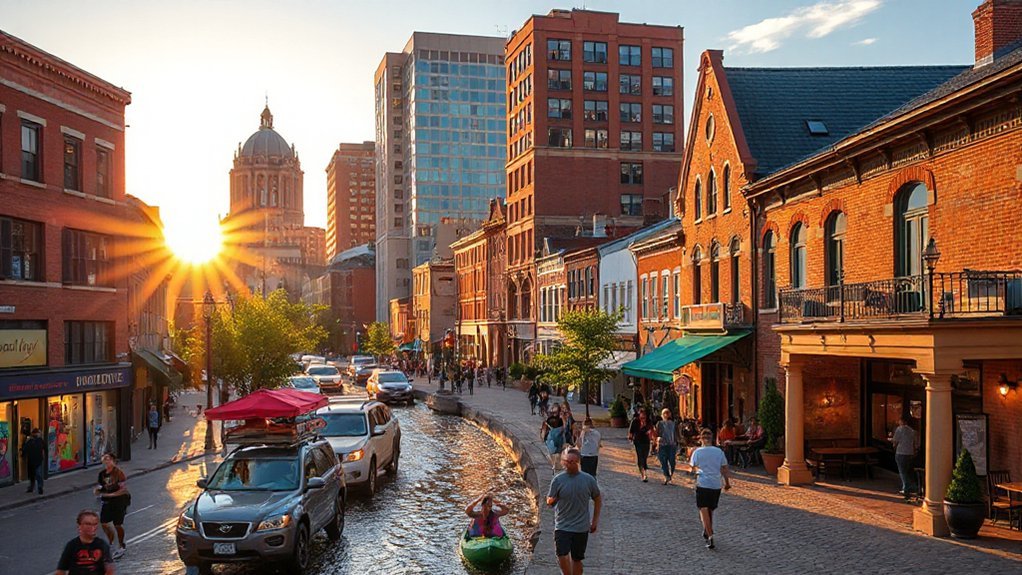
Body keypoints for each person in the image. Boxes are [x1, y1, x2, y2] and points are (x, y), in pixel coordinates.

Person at [546, 447, 601, 575]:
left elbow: (598, 499)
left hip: (581, 527)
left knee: (577, 559)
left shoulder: (588, 480)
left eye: (572, 462)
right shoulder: (558, 480)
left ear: (578, 462)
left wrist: (595, 521)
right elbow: (549, 499)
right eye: (566, 461)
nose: (569, 465)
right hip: (562, 525)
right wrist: (551, 500)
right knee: (561, 554)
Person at [689, 428, 732, 550]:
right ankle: (707, 529)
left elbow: (692, 468)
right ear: (711, 438)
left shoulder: (697, 452)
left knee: (703, 509)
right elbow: (724, 468)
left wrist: (695, 472)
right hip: (716, 484)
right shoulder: (719, 452)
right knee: (710, 509)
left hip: (703, 483)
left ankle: (710, 535)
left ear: (701, 439)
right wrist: (727, 483)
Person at [56, 509, 115, 575]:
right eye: (88, 524)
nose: (92, 527)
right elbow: (61, 570)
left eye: (95, 524)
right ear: (79, 526)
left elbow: (109, 569)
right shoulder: (72, 546)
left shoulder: (102, 545)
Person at [94, 453, 129, 559]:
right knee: (104, 523)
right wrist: (97, 490)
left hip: (119, 501)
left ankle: (121, 545)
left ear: (113, 461)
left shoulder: (119, 473)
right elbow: (101, 486)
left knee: (118, 524)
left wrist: (111, 495)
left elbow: (123, 490)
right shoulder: (102, 474)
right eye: (104, 459)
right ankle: (110, 542)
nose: (106, 461)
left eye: (108, 459)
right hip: (107, 501)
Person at [891, 417, 919, 498]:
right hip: (910, 453)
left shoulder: (899, 429)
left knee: (902, 471)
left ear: (902, 421)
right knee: (908, 470)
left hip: (901, 452)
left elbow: (895, 440)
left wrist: (893, 444)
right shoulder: (913, 431)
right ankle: (912, 486)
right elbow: (916, 443)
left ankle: (907, 487)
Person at [655, 408, 681, 484]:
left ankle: (671, 475)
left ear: (670, 414)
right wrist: (657, 440)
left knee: (672, 462)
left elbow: (677, 434)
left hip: (672, 445)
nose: (666, 415)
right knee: (663, 461)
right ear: (662, 415)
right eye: (664, 413)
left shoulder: (674, 424)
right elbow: (656, 434)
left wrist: (679, 442)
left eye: (667, 413)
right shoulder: (659, 423)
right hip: (662, 445)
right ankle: (667, 476)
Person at [627, 408, 654, 482]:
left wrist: (651, 435)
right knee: (640, 457)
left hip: (646, 441)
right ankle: (643, 475)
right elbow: (631, 431)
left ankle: (644, 466)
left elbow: (651, 429)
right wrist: (630, 437)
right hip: (637, 441)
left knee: (644, 456)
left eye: (644, 416)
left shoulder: (648, 421)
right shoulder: (635, 421)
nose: (643, 417)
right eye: (642, 416)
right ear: (639, 415)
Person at [21, 427, 46, 495]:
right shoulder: (30, 441)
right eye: (37, 433)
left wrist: (23, 455)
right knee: (33, 475)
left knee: (37, 474)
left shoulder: (39, 440)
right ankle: (33, 487)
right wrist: (23, 455)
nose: (37, 434)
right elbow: (25, 449)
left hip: (36, 460)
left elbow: (45, 448)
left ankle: (39, 487)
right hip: (33, 460)